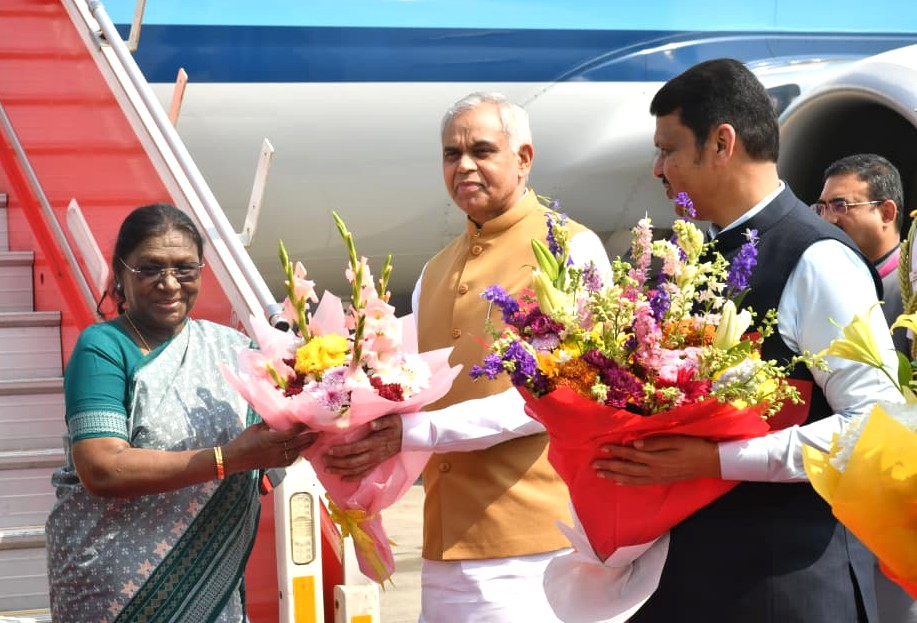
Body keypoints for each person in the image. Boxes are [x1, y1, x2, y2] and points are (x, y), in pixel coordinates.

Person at [593, 58, 902, 622]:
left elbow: (873, 425)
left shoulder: (818, 258)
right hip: (687, 582)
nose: (658, 169)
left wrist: (715, 461)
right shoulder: (691, 261)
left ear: (721, 143)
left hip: (787, 587)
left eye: (668, 149)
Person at [322, 92, 612, 622]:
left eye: (481, 150)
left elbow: (557, 395)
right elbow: (403, 390)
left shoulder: (573, 249)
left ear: (524, 158)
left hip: (537, 546)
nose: (464, 166)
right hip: (444, 544)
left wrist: (414, 433)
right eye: (451, 154)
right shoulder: (434, 271)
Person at [45, 203, 315, 622]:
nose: (169, 283)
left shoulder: (233, 351)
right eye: (150, 268)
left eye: (185, 269)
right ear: (120, 274)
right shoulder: (103, 348)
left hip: (207, 585)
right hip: (116, 594)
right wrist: (231, 459)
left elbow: (280, 439)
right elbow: (101, 468)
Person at [815, 153, 910, 355]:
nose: (828, 219)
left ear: (886, 213)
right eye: (822, 208)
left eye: (840, 206)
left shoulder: (911, 287)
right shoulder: (823, 280)